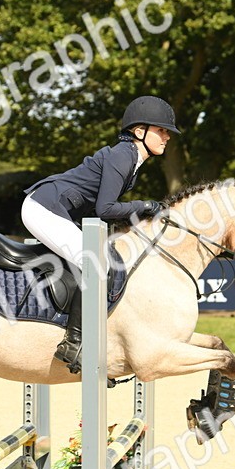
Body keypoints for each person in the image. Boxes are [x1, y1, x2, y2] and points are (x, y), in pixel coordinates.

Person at [20, 95, 177, 373]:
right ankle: (74, 342)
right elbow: (105, 209)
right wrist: (145, 205)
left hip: (55, 209)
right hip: (42, 208)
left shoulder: (131, 160)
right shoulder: (122, 155)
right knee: (92, 263)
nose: (167, 137)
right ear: (139, 131)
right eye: (161, 130)